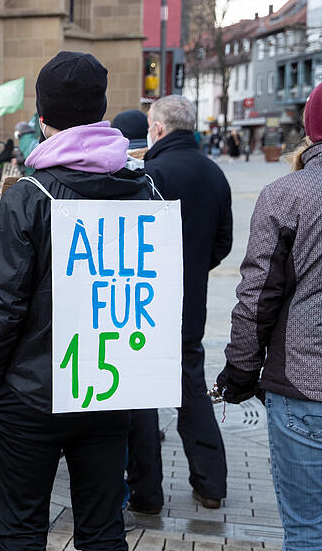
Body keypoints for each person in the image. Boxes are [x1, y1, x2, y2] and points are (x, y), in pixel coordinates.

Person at [0, 51, 154, 551]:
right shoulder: (143, 188)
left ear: (42, 117)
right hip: (106, 385)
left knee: (20, 531)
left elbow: (4, 306)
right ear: (100, 111)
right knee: (101, 532)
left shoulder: (28, 194)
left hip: (29, 393)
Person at [217, 84, 322, 550]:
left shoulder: (287, 194)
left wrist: (239, 373)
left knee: (306, 531)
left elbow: (258, 297)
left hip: (305, 386)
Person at [127, 94, 231, 514]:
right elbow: (222, 243)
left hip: (147, 302)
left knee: (141, 399)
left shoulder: (152, 174)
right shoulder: (214, 173)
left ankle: (147, 494)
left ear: (158, 129)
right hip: (191, 305)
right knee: (192, 391)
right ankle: (211, 485)